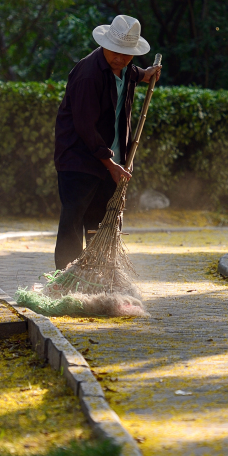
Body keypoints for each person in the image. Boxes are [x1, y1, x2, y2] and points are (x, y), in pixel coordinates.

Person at [52, 15, 162, 269]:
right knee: (73, 218)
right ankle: (65, 277)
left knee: (100, 221)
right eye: (116, 52)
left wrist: (147, 74)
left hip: (109, 160)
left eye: (127, 54)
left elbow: (133, 74)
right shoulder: (88, 75)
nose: (121, 58)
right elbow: (85, 128)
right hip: (79, 159)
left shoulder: (124, 68)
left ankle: (96, 275)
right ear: (105, 44)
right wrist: (111, 164)